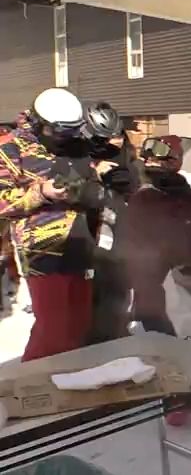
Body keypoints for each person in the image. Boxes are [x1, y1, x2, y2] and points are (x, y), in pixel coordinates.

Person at [119, 135, 191, 425]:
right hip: (152, 286)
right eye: (150, 159)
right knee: (164, 343)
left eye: (161, 158)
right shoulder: (140, 201)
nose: (153, 164)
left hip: (187, 284)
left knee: (187, 336)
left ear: (175, 161)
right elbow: (128, 247)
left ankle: (185, 391)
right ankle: (174, 398)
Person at [0, 88, 111, 361]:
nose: (69, 138)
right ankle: (29, 390)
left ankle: (70, 386)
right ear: (41, 123)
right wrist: (43, 192)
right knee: (53, 331)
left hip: (82, 241)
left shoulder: (76, 144)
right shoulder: (11, 149)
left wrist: (99, 183)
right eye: (62, 131)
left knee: (78, 326)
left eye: (74, 131)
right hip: (43, 247)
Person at [81, 101, 140, 344]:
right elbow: (72, 191)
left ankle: (115, 339)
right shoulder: (78, 156)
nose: (114, 142)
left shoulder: (123, 152)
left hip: (117, 235)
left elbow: (138, 179)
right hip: (86, 236)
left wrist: (130, 182)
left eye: (117, 136)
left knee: (117, 294)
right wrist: (95, 175)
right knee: (90, 302)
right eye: (108, 138)